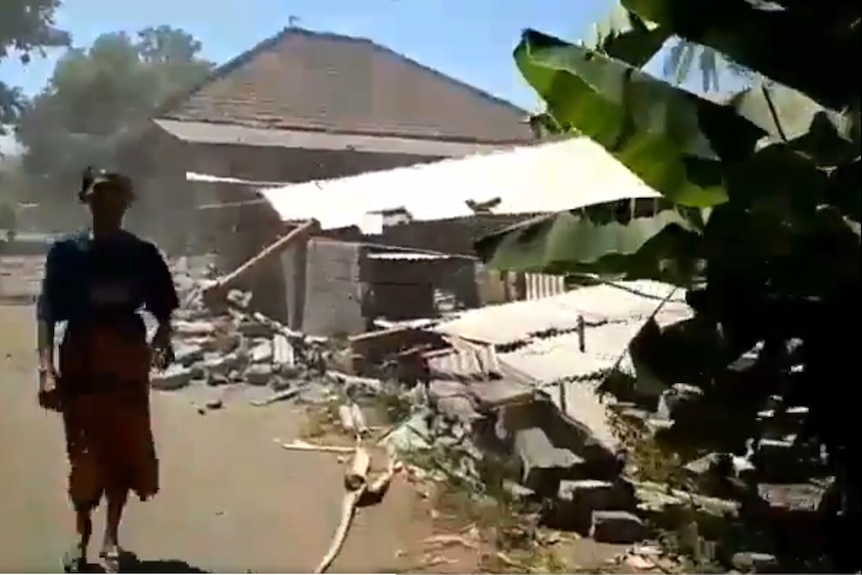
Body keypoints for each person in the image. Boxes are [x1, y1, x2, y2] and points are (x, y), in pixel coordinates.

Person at [36, 167, 179, 573]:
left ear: (128, 203)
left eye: (117, 195)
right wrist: (47, 369)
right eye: (100, 193)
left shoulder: (141, 254)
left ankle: (111, 536)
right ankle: (81, 535)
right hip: (80, 357)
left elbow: (164, 308)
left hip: (126, 360)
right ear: (84, 199)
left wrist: (162, 338)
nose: (108, 202)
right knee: (83, 453)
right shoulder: (66, 254)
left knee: (122, 447)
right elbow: (47, 312)